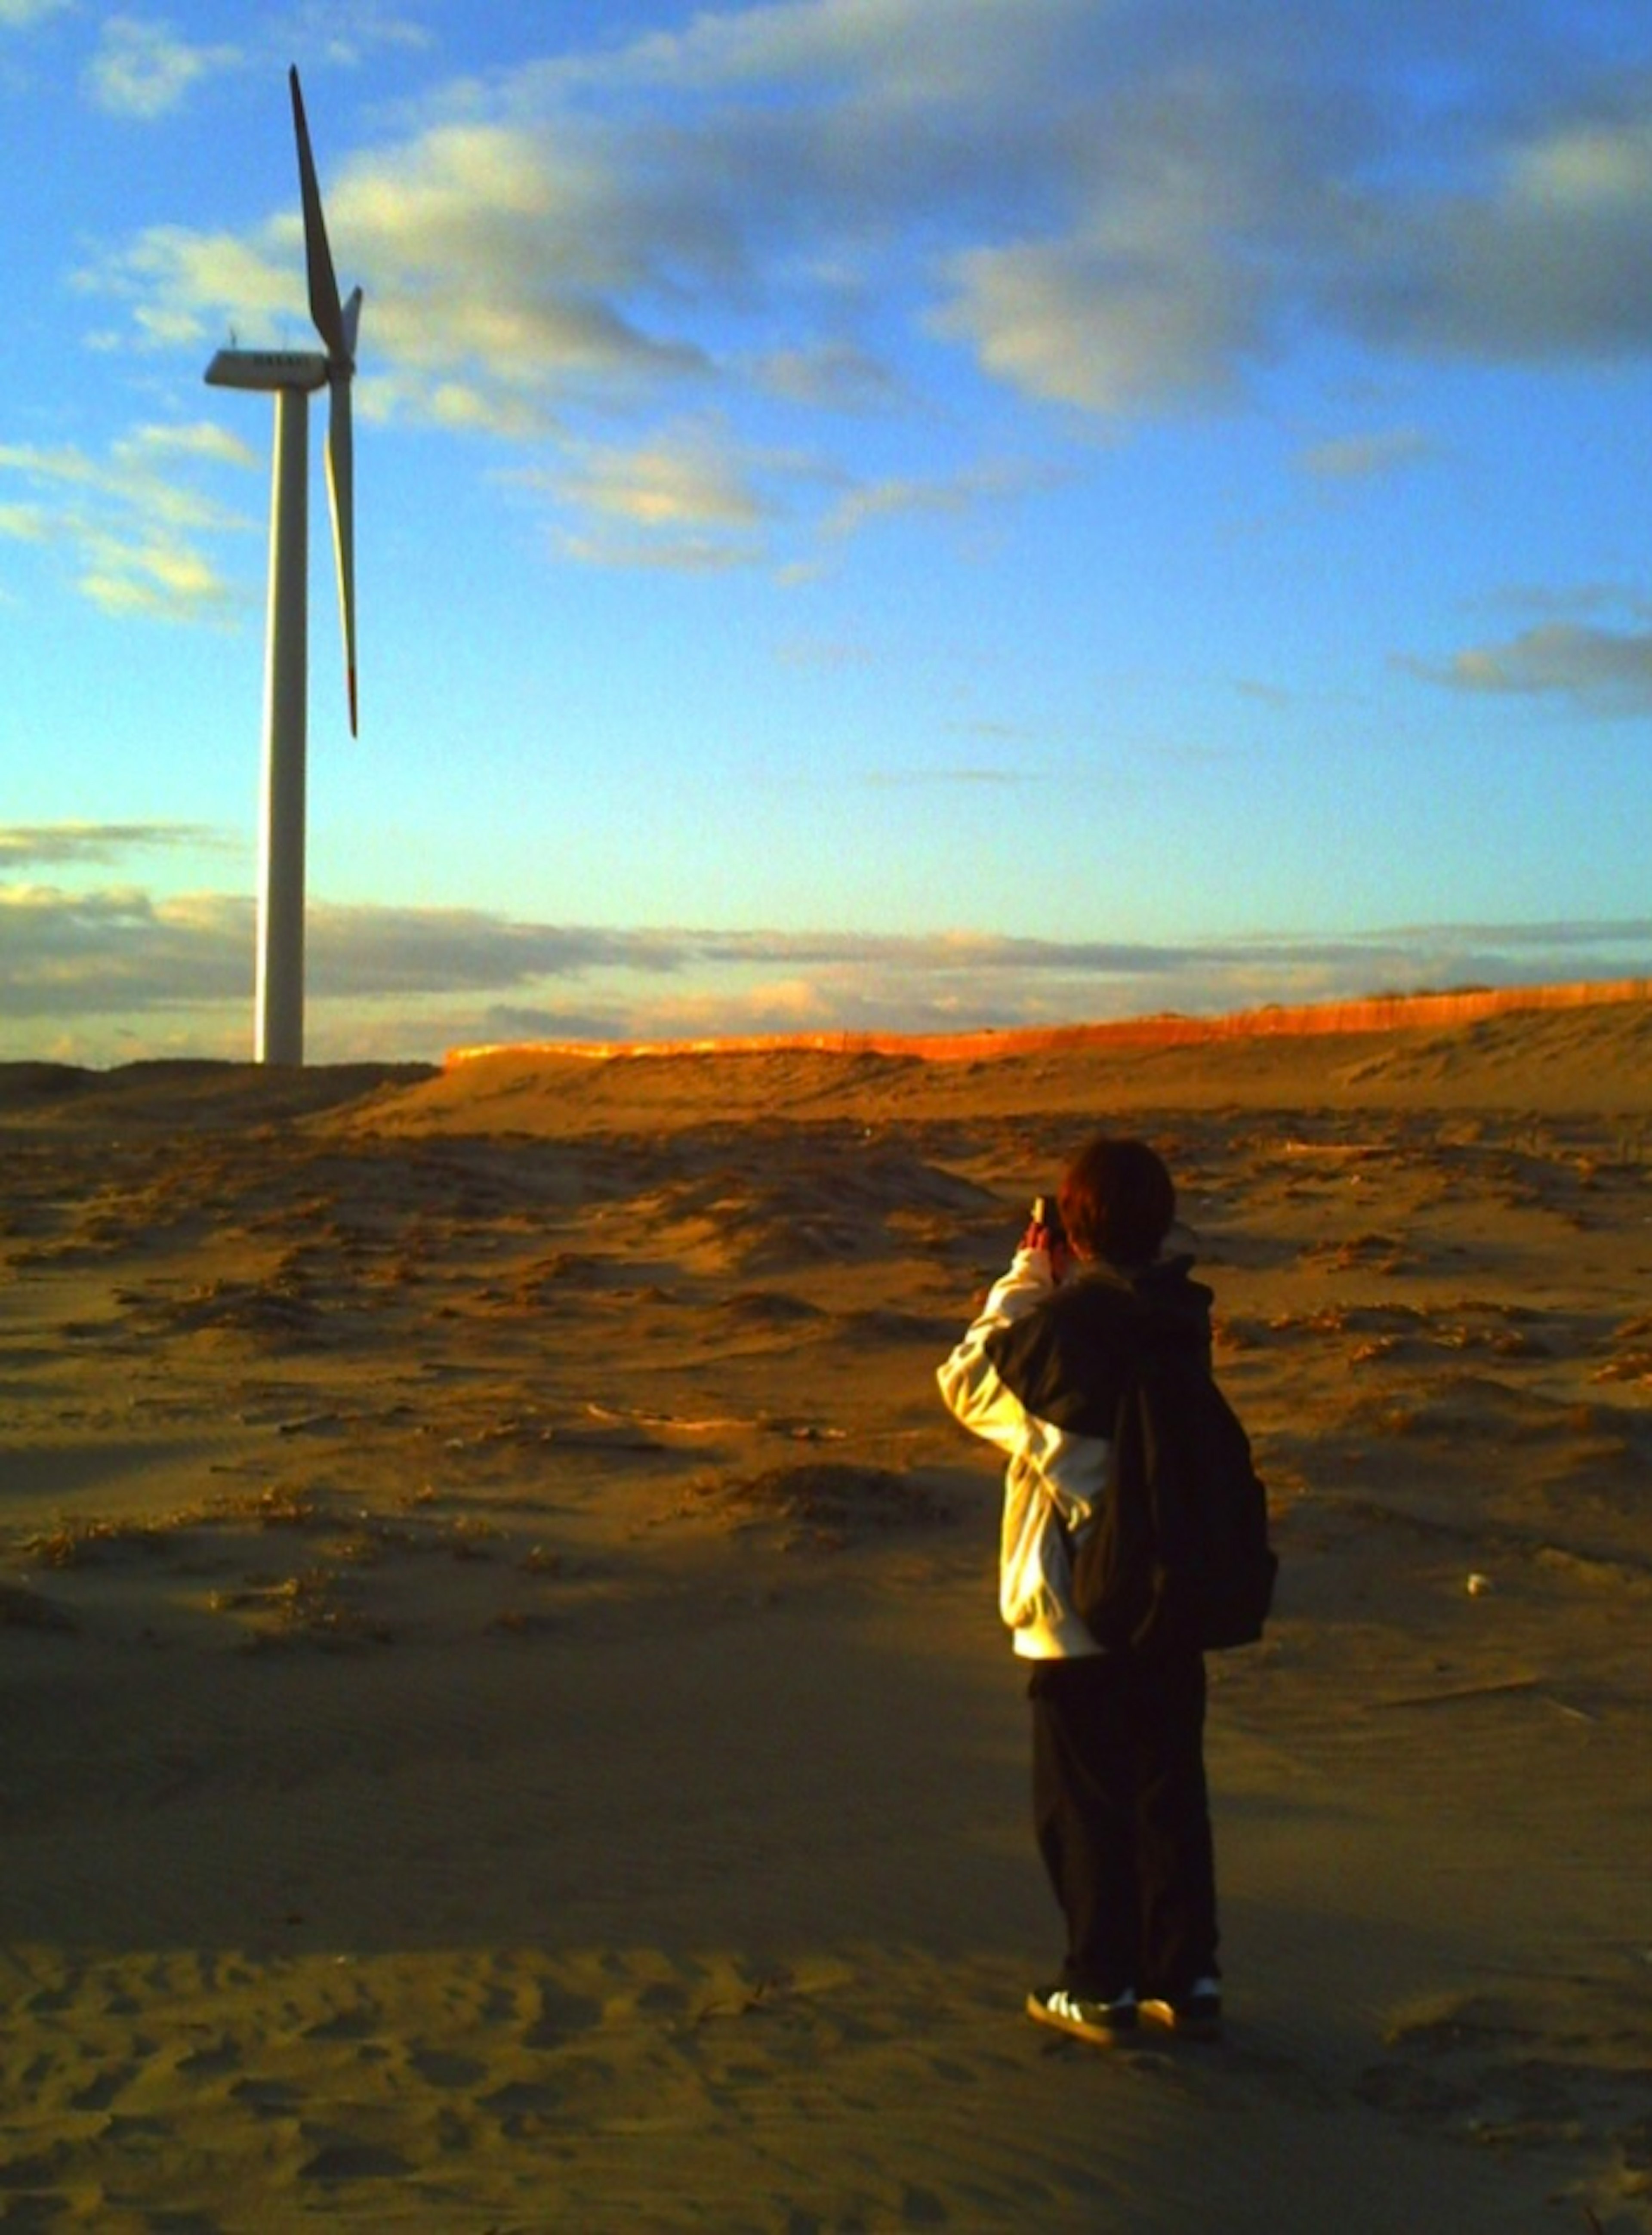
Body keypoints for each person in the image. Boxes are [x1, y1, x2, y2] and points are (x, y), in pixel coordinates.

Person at [937, 1134, 1223, 2047]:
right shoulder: (1180, 1319)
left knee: (1083, 1807)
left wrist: (1026, 1276)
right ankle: (1189, 1976)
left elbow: (969, 1380)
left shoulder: (1063, 1330)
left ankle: (1100, 1983)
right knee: (1169, 1791)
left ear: (1073, 1225)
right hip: (1170, 1595)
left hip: (1077, 1610)